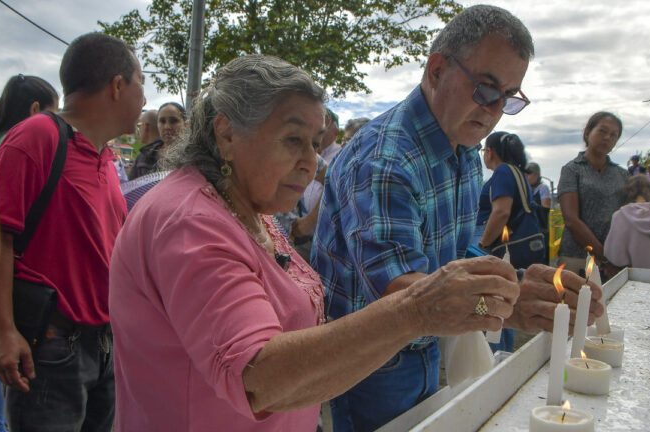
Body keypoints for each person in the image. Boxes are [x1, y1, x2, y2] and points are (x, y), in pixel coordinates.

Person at [109, 54, 529, 432]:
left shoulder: (249, 208)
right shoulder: (189, 223)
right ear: (227, 134)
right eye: (293, 139)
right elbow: (259, 378)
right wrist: (415, 310)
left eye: (313, 143)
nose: (311, 162)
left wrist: (507, 295)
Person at [312, 6, 603, 431]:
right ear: (436, 70)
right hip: (370, 360)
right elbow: (401, 294)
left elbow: (446, 251)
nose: (494, 109)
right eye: (486, 89)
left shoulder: (464, 150)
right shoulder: (384, 158)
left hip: (426, 342)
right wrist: (504, 302)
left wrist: (507, 279)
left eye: (509, 97)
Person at [0, 32, 143, 431]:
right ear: (116, 86)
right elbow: (0, 240)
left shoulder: (106, 157)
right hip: (51, 348)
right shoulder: (37, 136)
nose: (144, 100)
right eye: (140, 82)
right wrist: (3, 331)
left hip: (104, 344)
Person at [0, 75, 59, 431]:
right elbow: (2, 238)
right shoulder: (24, 145)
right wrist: (2, 328)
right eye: (54, 113)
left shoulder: (0, 144)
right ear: (36, 112)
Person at [475, 132, 538, 352]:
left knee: (489, 301)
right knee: (504, 300)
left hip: (497, 245)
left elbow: (501, 211)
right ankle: (503, 353)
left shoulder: (502, 172)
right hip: (514, 246)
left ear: (490, 152)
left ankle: (490, 355)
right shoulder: (518, 173)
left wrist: (482, 244)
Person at [557, 111, 628, 278]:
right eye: (602, 131)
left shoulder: (622, 175)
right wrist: (602, 256)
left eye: (613, 135)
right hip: (577, 257)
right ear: (587, 133)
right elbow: (571, 220)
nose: (607, 138)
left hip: (614, 260)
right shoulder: (572, 170)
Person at [0, 75, 59, 158]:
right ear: (35, 109)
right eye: (54, 114)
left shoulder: (4, 140)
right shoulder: (20, 146)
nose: (57, 121)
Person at [128, 102, 185, 180]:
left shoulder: (194, 159)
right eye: (162, 121)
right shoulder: (143, 159)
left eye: (173, 121)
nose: (167, 126)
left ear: (186, 125)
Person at [128, 109, 161, 179]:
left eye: (139, 125)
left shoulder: (142, 158)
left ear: (146, 127)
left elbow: (132, 187)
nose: (138, 129)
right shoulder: (171, 153)